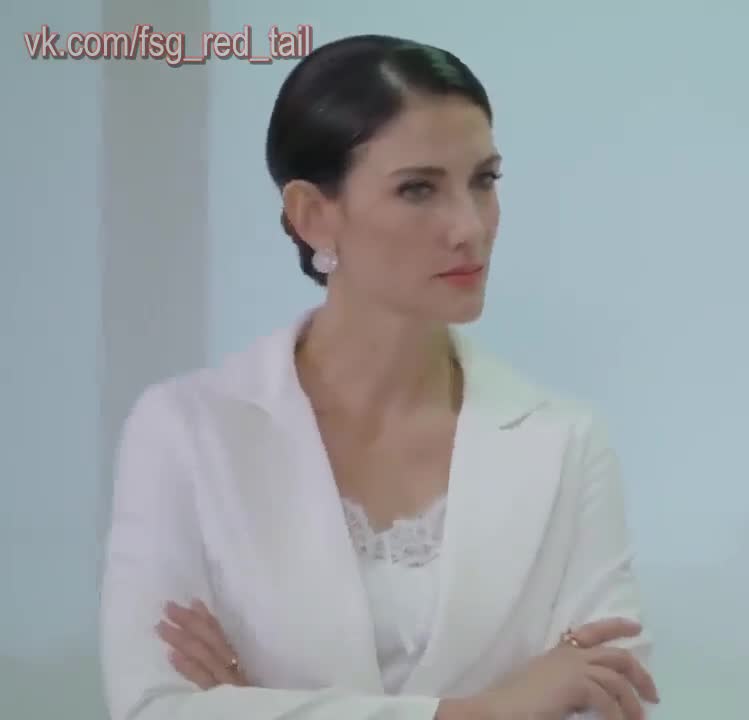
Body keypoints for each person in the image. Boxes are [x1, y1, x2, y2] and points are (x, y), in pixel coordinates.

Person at [98, 34, 658, 720]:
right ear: (313, 215)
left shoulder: (566, 442)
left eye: (484, 181)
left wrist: (255, 706)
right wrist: (485, 711)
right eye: (419, 189)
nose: (469, 227)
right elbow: (154, 709)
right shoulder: (187, 431)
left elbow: (608, 697)